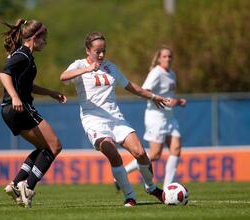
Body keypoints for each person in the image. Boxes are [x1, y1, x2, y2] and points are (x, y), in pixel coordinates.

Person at [60, 32, 169, 207]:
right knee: (113, 154)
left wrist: (153, 96)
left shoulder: (111, 67)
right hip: (93, 120)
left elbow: (131, 86)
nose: (101, 55)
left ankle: (151, 187)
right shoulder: (79, 65)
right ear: (88, 50)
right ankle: (130, 196)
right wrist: (87, 69)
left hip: (115, 118)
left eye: (104, 51)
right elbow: (63, 76)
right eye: (97, 51)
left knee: (140, 153)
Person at [0, 18, 67, 208]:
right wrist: (15, 97)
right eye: (44, 39)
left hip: (8, 110)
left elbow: (27, 85)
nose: (46, 43)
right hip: (19, 107)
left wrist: (51, 93)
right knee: (55, 146)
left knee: (44, 148)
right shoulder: (24, 55)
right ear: (35, 38)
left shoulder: (24, 55)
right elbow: (4, 74)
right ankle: (27, 187)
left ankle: (15, 184)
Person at [122, 46, 187, 189]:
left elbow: (168, 96)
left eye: (170, 56)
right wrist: (167, 101)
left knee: (176, 149)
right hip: (155, 117)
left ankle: (168, 188)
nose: (167, 59)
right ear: (159, 58)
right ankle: (124, 172)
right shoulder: (156, 73)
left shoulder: (172, 74)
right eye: (164, 56)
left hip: (169, 117)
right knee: (155, 154)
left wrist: (177, 101)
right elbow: (145, 92)